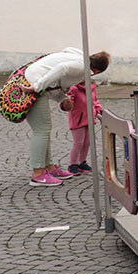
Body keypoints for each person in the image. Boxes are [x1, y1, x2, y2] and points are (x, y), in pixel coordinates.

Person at [20, 49, 110, 186]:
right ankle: (38, 174)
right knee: (42, 130)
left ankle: (49, 167)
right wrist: (37, 87)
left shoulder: (80, 56)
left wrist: (62, 98)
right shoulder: (82, 67)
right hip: (34, 82)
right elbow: (62, 68)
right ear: (96, 72)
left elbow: (59, 78)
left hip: (35, 78)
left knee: (44, 130)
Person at [61, 73, 104, 174]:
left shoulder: (91, 88)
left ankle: (82, 162)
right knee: (78, 143)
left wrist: (99, 111)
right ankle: (73, 164)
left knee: (87, 142)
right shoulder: (73, 89)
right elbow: (68, 103)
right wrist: (66, 104)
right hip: (78, 120)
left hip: (89, 119)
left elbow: (95, 101)